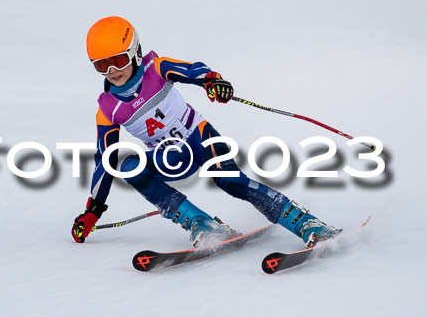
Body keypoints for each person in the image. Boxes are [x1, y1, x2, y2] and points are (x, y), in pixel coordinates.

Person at [71, 16, 339, 248]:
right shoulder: (108, 109)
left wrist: (212, 81)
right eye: (102, 65)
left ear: (135, 52)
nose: (113, 71)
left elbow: (193, 70)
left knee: (230, 181)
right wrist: (93, 210)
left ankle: (305, 222)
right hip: (170, 159)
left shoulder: (156, 69)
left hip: (199, 137)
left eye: (118, 60)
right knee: (126, 165)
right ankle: (201, 223)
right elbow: (104, 160)